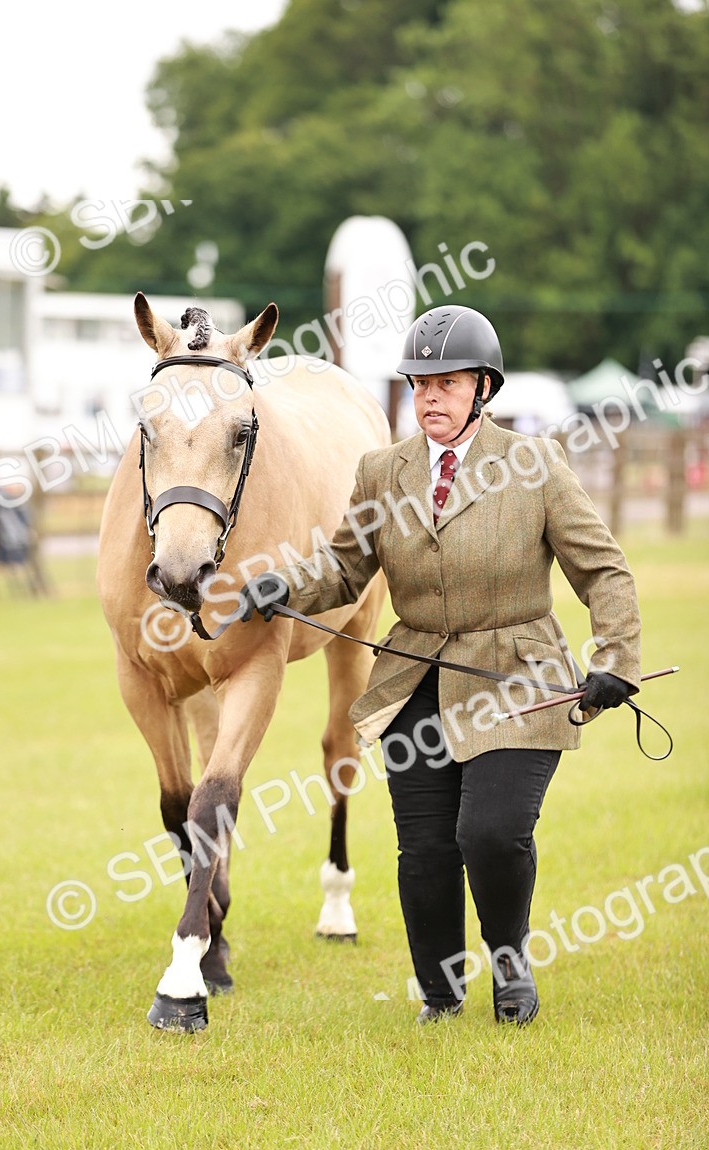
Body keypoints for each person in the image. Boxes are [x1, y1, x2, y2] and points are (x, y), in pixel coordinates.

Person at [239, 305, 641, 1026]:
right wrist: (283, 586)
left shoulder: (536, 464)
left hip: (518, 677)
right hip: (414, 675)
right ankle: (438, 990)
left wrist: (614, 657)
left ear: (484, 387)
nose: (429, 396)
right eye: (419, 383)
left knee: (488, 832)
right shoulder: (380, 472)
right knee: (423, 849)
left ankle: (510, 962)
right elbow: (342, 568)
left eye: (447, 383)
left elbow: (604, 571)